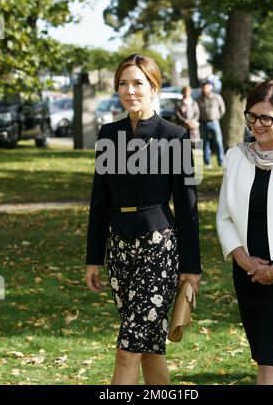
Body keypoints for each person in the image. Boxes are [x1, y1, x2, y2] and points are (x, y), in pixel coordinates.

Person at [85, 54, 202, 385]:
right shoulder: (109, 134)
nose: (129, 90)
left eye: (138, 83)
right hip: (119, 250)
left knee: (127, 351)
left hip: (159, 249)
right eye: (123, 83)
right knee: (148, 348)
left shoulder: (175, 136)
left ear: (154, 88)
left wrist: (191, 268)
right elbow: (99, 201)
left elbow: (188, 207)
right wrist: (93, 258)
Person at [217, 80, 273, 385]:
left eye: (266, 117)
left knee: (270, 362)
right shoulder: (236, 157)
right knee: (268, 357)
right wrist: (243, 260)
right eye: (251, 116)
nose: (257, 125)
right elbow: (224, 217)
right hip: (248, 274)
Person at [198, 79, 225, 168]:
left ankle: (221, 161)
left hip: (214, 122)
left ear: (210, 87)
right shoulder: (199, 99)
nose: (204, 89)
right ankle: (207, 163)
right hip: (202, 123)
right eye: (203, 87)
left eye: (206, 87)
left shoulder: (217, 97)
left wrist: (217, 118)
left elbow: (222, 109)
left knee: (218, 142)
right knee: (205, 143)